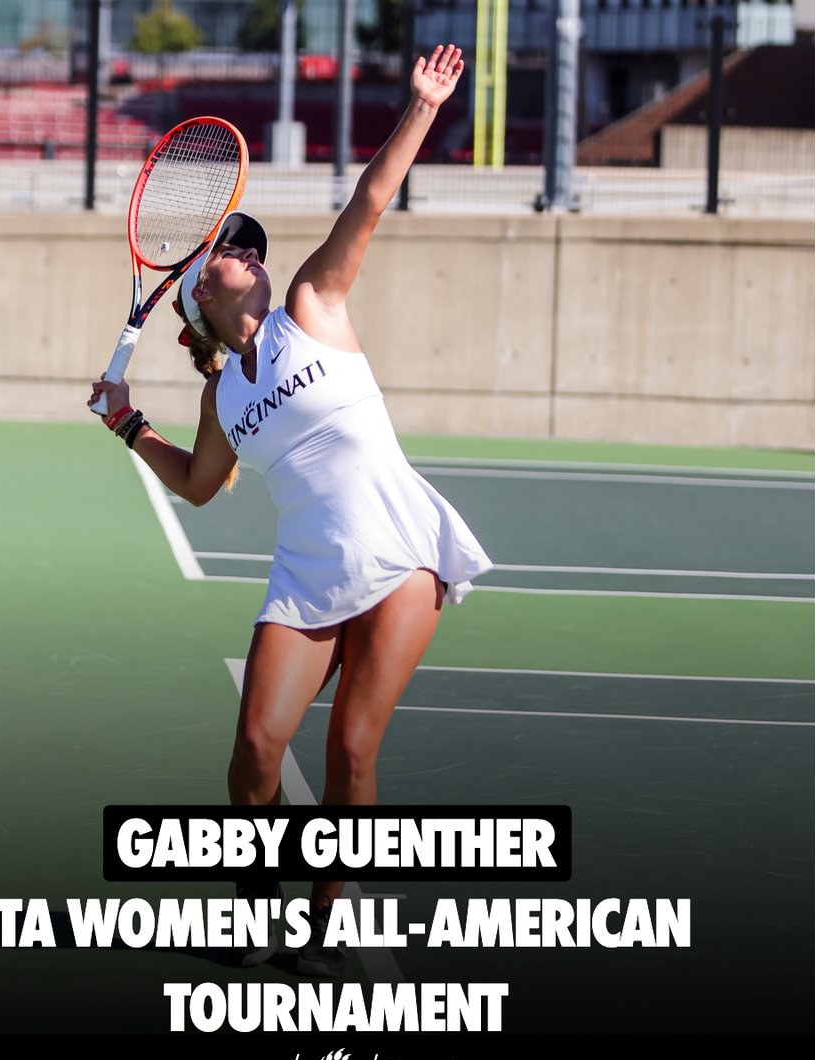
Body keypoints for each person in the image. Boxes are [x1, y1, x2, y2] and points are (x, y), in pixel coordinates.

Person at [89, 44, 491, 976]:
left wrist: (424, 107)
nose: (243, 255)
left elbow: (370, 202)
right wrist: (129, 426)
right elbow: (199, 484)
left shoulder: (312, 303)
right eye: (229, 251)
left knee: (353, 751)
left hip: (399, 552)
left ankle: (327, 918)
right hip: (308, 572)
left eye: (246, 248)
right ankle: (257, 901)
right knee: (255, 751)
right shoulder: (221, 397)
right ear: (196, 298)